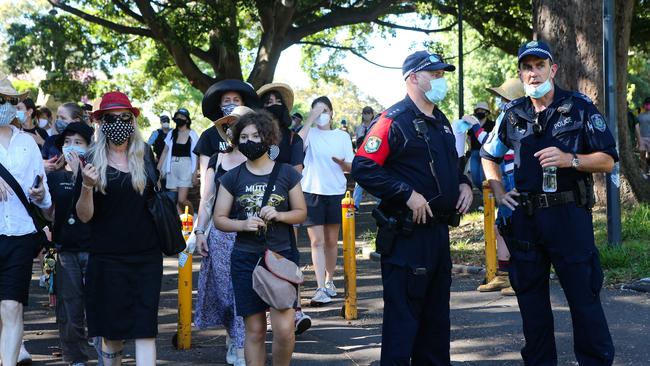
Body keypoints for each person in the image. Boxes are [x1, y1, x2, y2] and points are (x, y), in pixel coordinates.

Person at [481, 40, 616, 365]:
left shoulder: (579, 106)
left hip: (569, 218)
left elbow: (609, 160)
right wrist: (499, 192)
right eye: (527, 67)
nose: (533, 72)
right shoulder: (512, 114)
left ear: (552, 69)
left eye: (539, 65)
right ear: (521, 73)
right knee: (532, 306)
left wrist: (572, 159)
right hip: (526, 221)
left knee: (584, 302)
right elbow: (488, 154)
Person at [351, 51, 473, 364]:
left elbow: (449, 165)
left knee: (435, 324)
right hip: (406, 236)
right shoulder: (393, 120)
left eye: (442, 74)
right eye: (433, 73)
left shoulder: (441, 120)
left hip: (437, 234)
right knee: (403, 325)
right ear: (412, 78)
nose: (440, 79)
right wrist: (406, 193)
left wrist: (462, 183)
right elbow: (364, 166)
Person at [76, 91, 162, 365]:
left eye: (125, 117)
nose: (119, 123)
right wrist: (87, 187)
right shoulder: (91, 158)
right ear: (101, 123)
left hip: (146, 255)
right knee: (111, 333)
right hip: (107, 257)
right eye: (111, 118)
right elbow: (84, 216)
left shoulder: (145, 153)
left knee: (144, 329)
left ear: (133, 121)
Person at [213, 111, 307, 366]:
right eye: (243, 136)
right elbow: (219, 218)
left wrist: (279, 214)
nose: (250, 140)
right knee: (254, 331)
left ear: (268, 138)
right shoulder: (231, 177)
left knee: (285, 329)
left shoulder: (287, 173)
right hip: (245, 259)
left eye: (255, 135)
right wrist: (243, 224)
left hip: (281, 256)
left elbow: (301, 212)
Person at [0, 74, 52, 366]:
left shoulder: (27, 144)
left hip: (20, 235)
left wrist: (42, 192)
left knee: (11, 306)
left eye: (8, 101)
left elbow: (43, 200)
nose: (5, 107)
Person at [194, 106, 252, 366]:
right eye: (229, 125)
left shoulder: (260, 160)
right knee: (225, 297)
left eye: (239, 123)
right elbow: (207, 200)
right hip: (220, 235)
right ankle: (233, 338)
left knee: (245, 295)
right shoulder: (217, 160)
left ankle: (242, 349)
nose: (233, 129)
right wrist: (199, 231)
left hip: (252, 234)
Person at [257, 83, 311, 334]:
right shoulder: (256, 137)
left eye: (276, 101)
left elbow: (296, 171)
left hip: (288, 205)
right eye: (267, 102)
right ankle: (269, 311)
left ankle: (295, 308)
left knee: (289, 257)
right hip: (256, 203)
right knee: (259, 256)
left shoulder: (293, 138)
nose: (272, 105)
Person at [47, 122, 96, 365]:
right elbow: (48, 214)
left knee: (99, 304)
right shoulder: (53, 178)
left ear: (90, 147)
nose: (72, 148)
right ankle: (75, 358)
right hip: (65, 250)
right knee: (69, 309)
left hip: (96, 249)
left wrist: (82, 177)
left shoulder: (97, 175)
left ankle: (107, 351)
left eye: (78, 143)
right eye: (67, 143)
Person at [298, 96, 355, 306]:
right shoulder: (309, 133)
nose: (321, 114)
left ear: (332, 113)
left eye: (324, 110)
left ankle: (330, 281)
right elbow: (296, 143)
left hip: (335, 191)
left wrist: (343, 164)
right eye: (317, 110)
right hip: (311, 191)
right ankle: (320, 287)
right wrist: (311, 117)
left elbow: (351, 166)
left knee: (331, 241)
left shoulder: (342, 136)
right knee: (317, 241)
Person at [195, 79, 260, 196]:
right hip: (218, 195)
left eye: (236, 100)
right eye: (227, 100)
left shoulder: (255, 133)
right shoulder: (208, 135)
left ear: (243, 104)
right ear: (220, 105)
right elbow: (205, 177)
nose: (232, 103)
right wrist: (205, 205)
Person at [157, 108, 199, 213]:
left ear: (187, 120)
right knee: (174, 200)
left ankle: (192, 215)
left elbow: (197, 154)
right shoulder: (171, 134)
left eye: (182, 116)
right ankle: (180, 226)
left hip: (186, 166)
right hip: (172, 167)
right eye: (178, 116)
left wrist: (195, 173)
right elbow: (165, 151)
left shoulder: (192, 134)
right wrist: (158, 168)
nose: (179, 118)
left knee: (182, 200)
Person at [353, 106, 376, 210]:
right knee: (359, 182)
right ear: (362, 115)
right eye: (364, 113)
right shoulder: (359, 128)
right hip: (361, 156)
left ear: (372, 114)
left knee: (377, 180)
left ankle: (382, 204)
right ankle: (355, 205)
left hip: (374, 157)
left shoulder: (376, 126)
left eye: (368, 113)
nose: (366, 115)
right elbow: (357, 143)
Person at [467, 101, 494, 187]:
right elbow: (469, 137)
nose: (480, 112)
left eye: (483, 110)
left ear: (487, 112)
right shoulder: (472, 125)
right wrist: (469, 149)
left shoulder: (492, 124)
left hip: (486, 154)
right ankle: (484, 193)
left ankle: (487, 197)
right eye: (479, 110)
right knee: (475, 178)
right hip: (475, 152)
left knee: (484, 177)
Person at [636, 97, 650, 176]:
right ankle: (643, 172)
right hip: (641, 138)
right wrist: (637, 139)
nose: (648, 105)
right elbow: (637, 127)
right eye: (647, 104)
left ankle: (647, 168)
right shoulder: (639, 116)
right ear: (644, 105)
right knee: (642, 156)